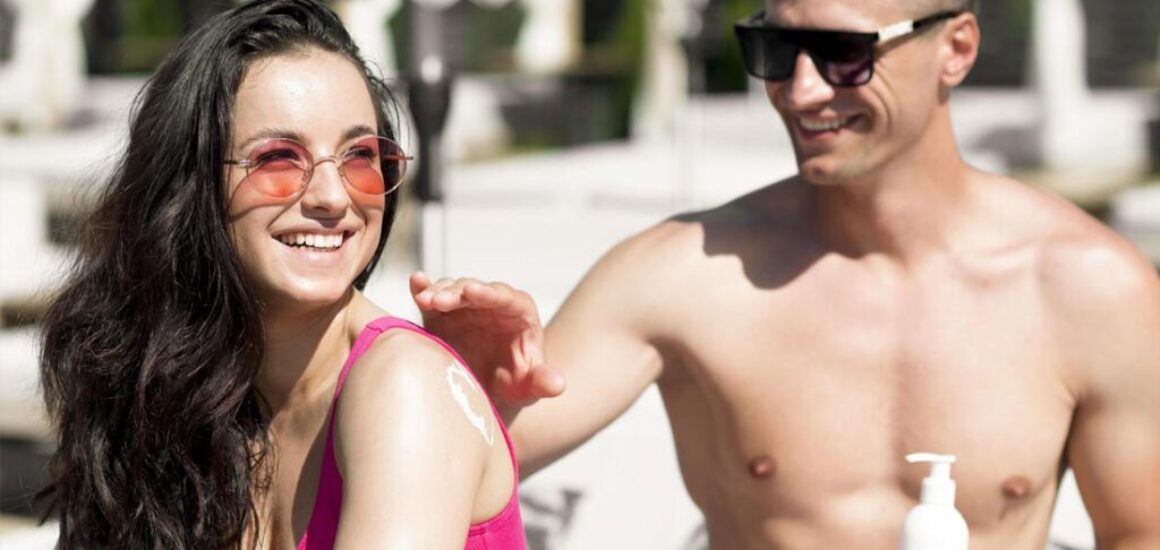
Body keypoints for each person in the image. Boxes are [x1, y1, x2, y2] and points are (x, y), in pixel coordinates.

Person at [411, 0, 1160, 547]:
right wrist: (464, 393)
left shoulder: (1092, 291)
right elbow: (450, 477)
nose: (799, 90)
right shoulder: (683, 274)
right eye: (774, 48)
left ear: (956, 49)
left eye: (843, 52)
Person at [37, 1, 527, 548]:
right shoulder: (178, 397)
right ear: (189, 185)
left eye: (359, 156)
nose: (331, 196)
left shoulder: (405, 386)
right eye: (277, 158)